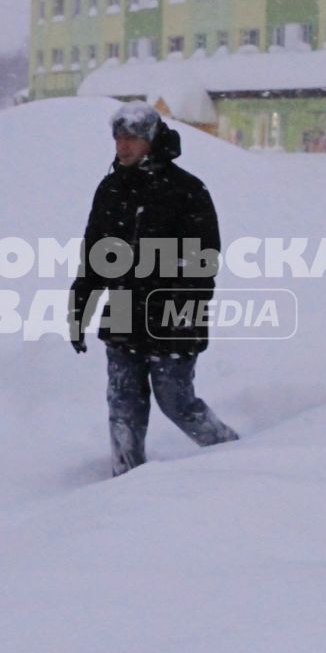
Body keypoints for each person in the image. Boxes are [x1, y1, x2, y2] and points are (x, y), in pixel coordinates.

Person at [71, 103, 240, 474]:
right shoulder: (111, 188)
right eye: (118, 138)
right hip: (123, 315)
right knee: (123, 406)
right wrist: (79, 309)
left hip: (172, 318)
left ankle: (237, 456)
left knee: (176, 401)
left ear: (150, 139)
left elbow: (204, 261)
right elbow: (94, 254)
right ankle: (125, 480)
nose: (123, 146)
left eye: (131, 138)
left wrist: (181, 306)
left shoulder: (187, 190)